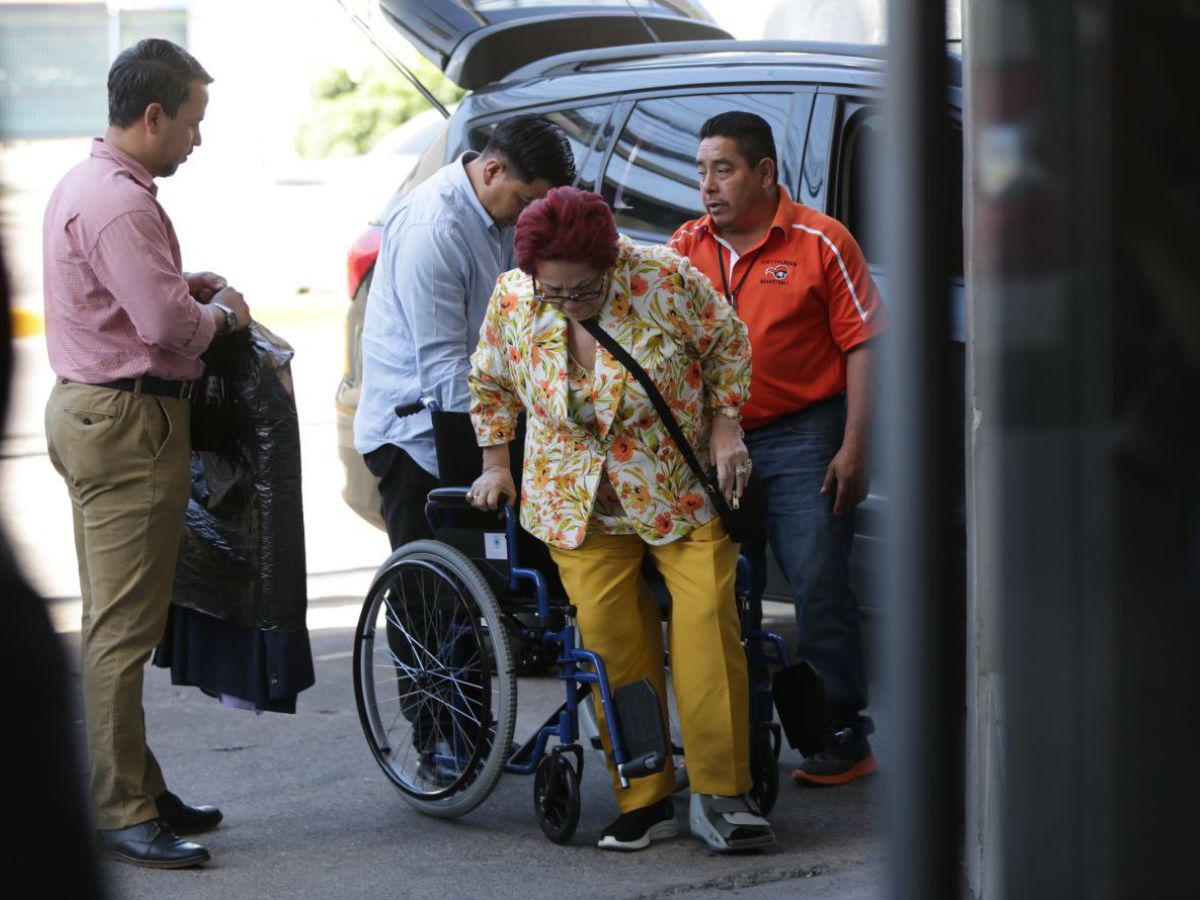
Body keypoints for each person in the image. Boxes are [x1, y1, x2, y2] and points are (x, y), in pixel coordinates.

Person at [467, 186, 772, 852]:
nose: (570, 304)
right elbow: (490, 381)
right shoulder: (516, 297)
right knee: (612, 641)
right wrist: (496, 464)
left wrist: (726, 428)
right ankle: (646, 792)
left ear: (610, 262)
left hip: (677, 488)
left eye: (584, 291)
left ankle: (723, 793)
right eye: (555, 294)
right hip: (579, 502)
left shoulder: (666, 277)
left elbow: (727, 343)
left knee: (703, 631)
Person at [42, 38, 251, 868]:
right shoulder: (121, 201)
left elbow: (140, 302)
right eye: (193, 123)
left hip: (98, 415)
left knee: (112, 622)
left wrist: (177, 287)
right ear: (153, 114)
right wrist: (222, 316)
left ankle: (136, 784)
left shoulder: (94, 184)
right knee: (122, 632)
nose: (197, 140)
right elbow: (167, 331)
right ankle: (123, 807)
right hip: (127, 424)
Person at [668, 112, 885, 786]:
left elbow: (863, 344)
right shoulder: (683, 248)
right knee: (731, 591)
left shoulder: (822, 241)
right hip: (715, 441)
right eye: (701, 170)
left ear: (764, 173)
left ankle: (839, 734)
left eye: (723, 169)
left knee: (819, 580)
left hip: (803, 432)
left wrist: (853, 446)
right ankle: (747, 737)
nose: (708, 185)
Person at [354, 114, 576, 550]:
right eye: (527, 200)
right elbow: (445, 367)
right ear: (493, 171)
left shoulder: (501, 213)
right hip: (418, 433)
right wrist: (499, 448)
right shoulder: (435, 227)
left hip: (480, 415)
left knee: (498, 571)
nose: (530, 216)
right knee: (429, 598)